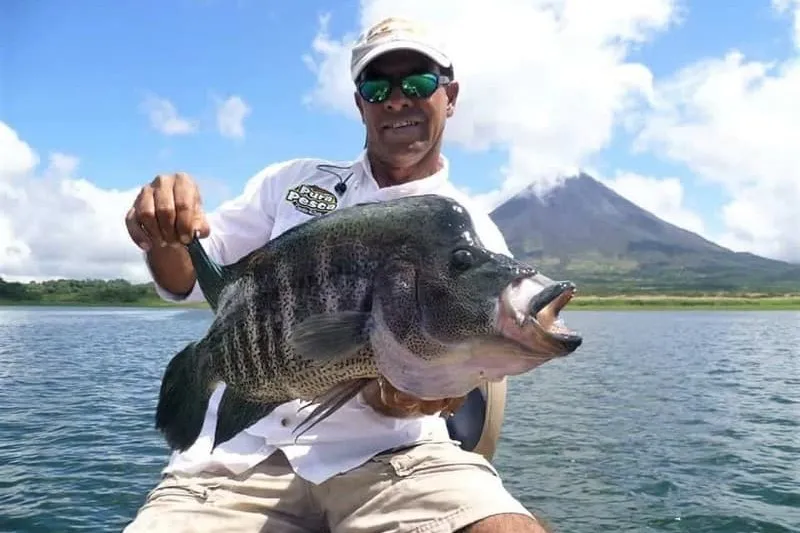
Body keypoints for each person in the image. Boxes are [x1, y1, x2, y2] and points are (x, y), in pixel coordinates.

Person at [123, 15, 550, 533]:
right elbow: (185, 279)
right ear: (359, 103)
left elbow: (456, 373)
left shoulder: (476, 235)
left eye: (417, 82)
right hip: (235, 461)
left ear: (450, 95)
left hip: (393, 459)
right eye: (377, 85)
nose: (396, 99)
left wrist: (415, 392)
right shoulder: (293, 182)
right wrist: (162, 231)